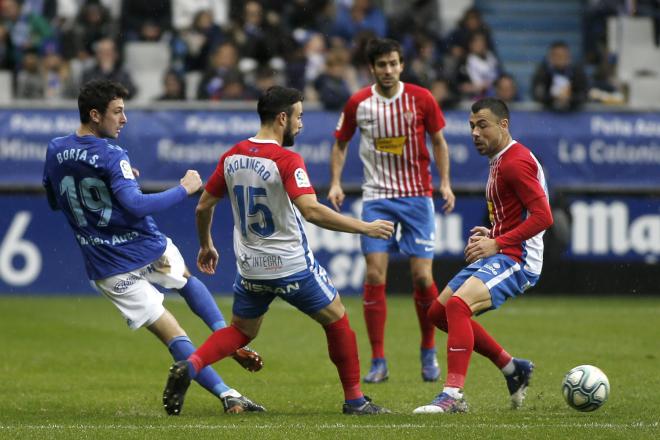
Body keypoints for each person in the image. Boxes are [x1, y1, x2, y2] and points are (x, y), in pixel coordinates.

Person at [161, 86, 394, 416]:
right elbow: (312, 211)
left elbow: (203, 206)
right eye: (298, 116)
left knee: (241, 331)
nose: (300, 124)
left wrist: (206, 244)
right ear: (282, 117)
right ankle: (355, 400)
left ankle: (193, 364)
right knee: (338, 319)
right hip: (290, 265)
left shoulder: (232, 156)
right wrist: (366, 227)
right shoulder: (286, 159)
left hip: (251, 268)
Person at [42, 79, 265, 415]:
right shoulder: (111, 153)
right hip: (144, 244)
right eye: (117, 111)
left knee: (172, 334)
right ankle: (226, 338)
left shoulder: (56, 149)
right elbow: (136, 205)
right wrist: (184, 188)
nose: (124, 118)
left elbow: (54, 200)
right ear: (94, 114)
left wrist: (104, 189)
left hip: (106, 264)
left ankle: (228, 395)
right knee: (187, 282)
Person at [413, 98, 553, 414]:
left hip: (519, 260)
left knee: (459, 307)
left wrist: (498, 243)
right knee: (438, 312)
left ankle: (452, 395)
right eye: (472, 126)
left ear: (504, 125)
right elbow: (518, 214)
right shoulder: (500, 160)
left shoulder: (516, 162)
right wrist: (493, 234)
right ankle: (512, 368)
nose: (475, 132)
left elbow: (544, 216)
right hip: (504, 250)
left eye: (483, 125)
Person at [327, 38, 456, 384]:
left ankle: (428, 351)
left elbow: (439, 142)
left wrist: (445, 183)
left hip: (417, 197)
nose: (388, 70)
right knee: (373, 275)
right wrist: (336, 182)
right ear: (372, 68)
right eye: (381, 64)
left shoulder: (421, 99)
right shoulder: (359, 103)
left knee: (423, 278)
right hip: (377, 198)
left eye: (393, 63)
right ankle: (378, 360)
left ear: (402, 65)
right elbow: (340, 143)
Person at [531, 41, 588, 112]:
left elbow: (584, 94)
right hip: (548, 114)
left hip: (573, 114)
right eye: (557, 55)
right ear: (550, 57)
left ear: (569, 56)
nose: (561, 58)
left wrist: (570, 98)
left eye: (564, 55)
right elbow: (537, 94)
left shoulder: (577, 72)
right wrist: (554, 97)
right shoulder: (542, 72)